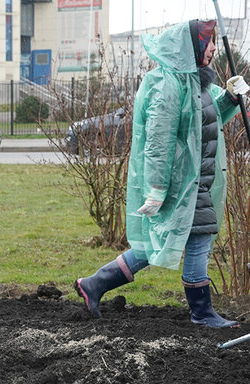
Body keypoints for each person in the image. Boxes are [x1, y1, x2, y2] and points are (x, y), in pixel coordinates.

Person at [75, 20, 249, 328]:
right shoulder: (168, 85)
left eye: (211, 43)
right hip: (183, 184)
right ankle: (202, 312)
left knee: (154, 247)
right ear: (191, 48)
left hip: (198, 182)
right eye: (206, 43)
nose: (212, 49)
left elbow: (205, 124)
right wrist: (156, 189)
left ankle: (94, 284)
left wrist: (230, 99)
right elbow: (157, 142)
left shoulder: (197, 83)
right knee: (197, 240)